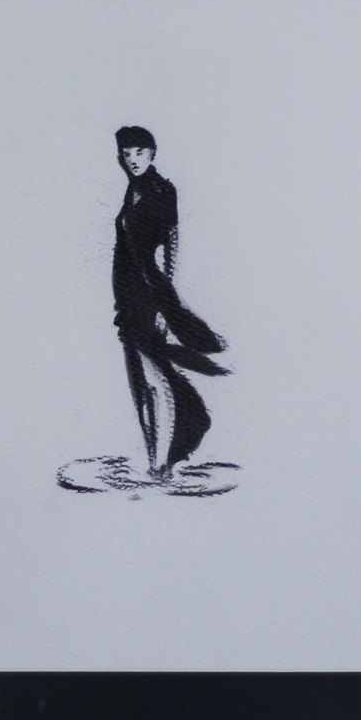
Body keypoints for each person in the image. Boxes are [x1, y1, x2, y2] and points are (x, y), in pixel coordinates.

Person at [111, 126, 228, 479]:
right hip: (127, 294)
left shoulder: (162, 191)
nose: (133, 159)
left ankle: (161, 463)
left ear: (152, 154)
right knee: (140, 378)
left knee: (153, 375)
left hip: (149, 294)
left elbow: (171, 245)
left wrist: (164, 304)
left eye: (140, 152)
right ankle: (157, 457)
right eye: (127, 153)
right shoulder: (132, 190)